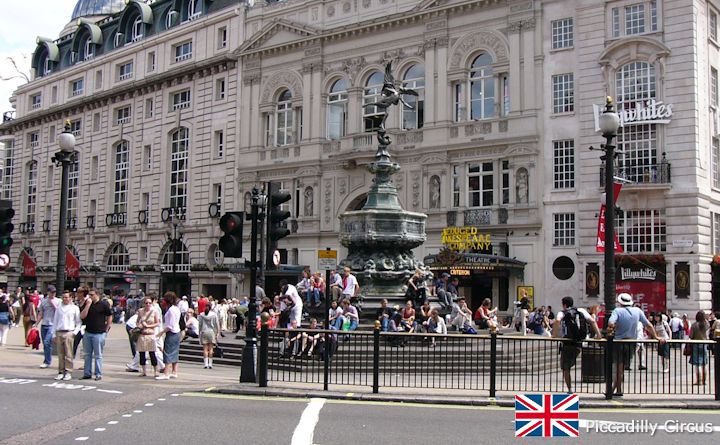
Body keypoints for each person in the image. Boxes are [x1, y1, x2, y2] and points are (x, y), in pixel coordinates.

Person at [607, 293, 665, 397]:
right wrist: (656, 337)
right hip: (631, 343)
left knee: (618, 368)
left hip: (619, 342)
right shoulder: (637, 311)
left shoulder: (617, 311)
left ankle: (617, 390)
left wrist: (613, 328)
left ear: (620, 302)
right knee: (623, 367)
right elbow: (648, 325)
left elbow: (611, 323)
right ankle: (613, 389)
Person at [552, 296, 600, 393]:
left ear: (564, 304)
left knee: (565, 368)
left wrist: (554, 335)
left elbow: (557, 321)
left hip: (568, 343)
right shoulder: (581, 310)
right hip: (578, 343)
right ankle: (570, 388)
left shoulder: (563, 312)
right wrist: (598, 335)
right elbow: (592, 321)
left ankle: (569, 389)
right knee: (570, 363)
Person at [80, 288, 113, 381]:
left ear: (97, 295)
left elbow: (109, 315)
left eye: (92, 295)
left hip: (99, 332)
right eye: (89, 295)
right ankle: (87, 373)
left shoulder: (103, 304)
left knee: (98, 355)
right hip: (88, 332)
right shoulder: (87, 304)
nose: (90, 296)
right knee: (87, 354)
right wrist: (88, 305)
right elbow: (82, 316)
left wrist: (107, 328)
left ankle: (98, 373)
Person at [50, 291, 81, 381]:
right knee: (60, 354)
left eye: (67, 297)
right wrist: (53, 334)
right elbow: (55, 321)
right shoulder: (59, 308)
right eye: (63, 297)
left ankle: (68, 371)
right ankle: (60, 371)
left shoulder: (75, 308)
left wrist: (74, 332)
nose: (65, 299)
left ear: (71, 298)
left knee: (69, 354)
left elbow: (78, 322)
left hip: (69, 332)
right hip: (59, 331)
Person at [157, 292, 182, 380]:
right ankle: (174, 372)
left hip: (172, 332)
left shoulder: (171, 310)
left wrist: (160, 333)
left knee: (167, 352)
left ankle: (166, 373)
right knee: (175, 351)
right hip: (177, 332)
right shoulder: (176, 308)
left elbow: (170, 326)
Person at [36, 285, 60, 368]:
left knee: (47, 342)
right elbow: (40, 313)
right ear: (48, 292)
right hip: (44, 324)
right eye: (51, 292)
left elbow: (59, 312)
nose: (53, 294)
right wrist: (36, 323)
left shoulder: (58, 301)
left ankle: (47, 361)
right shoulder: (43, 301)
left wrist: (52, 303)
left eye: (54, 292)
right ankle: (47, 360)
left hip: (52, 325)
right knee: (45, 344)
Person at [136, 297, 160, 378]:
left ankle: (156, 370)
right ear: (144, 303)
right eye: (146, 303)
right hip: (142, 334)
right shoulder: (140, 311)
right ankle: (144, 371)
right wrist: (139, 325)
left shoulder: (154, 312)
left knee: (152, 353)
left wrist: (149, 326)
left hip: (150, 334)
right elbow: (137, 321)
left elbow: (157, 323)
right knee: (142, 353)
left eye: (150, 303)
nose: (148, 304)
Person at [689, 310, 709, 385]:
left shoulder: (694, 325)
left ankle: (699, 380)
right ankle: (704, 381)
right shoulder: (706, 324)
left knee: (698, 364)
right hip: (704, 344)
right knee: (704, 363)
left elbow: (691, 336)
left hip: (696, 344)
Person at [198, 304, 220, 369]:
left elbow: (200, 324)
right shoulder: (214, 314)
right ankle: (210, 364)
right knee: (211, 348)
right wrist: (218, 332)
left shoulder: (201, 315)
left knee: (205, 349)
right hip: (211, 332)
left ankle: (205, 364)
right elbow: (217, 324)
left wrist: (199, 332)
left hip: (204, 331)